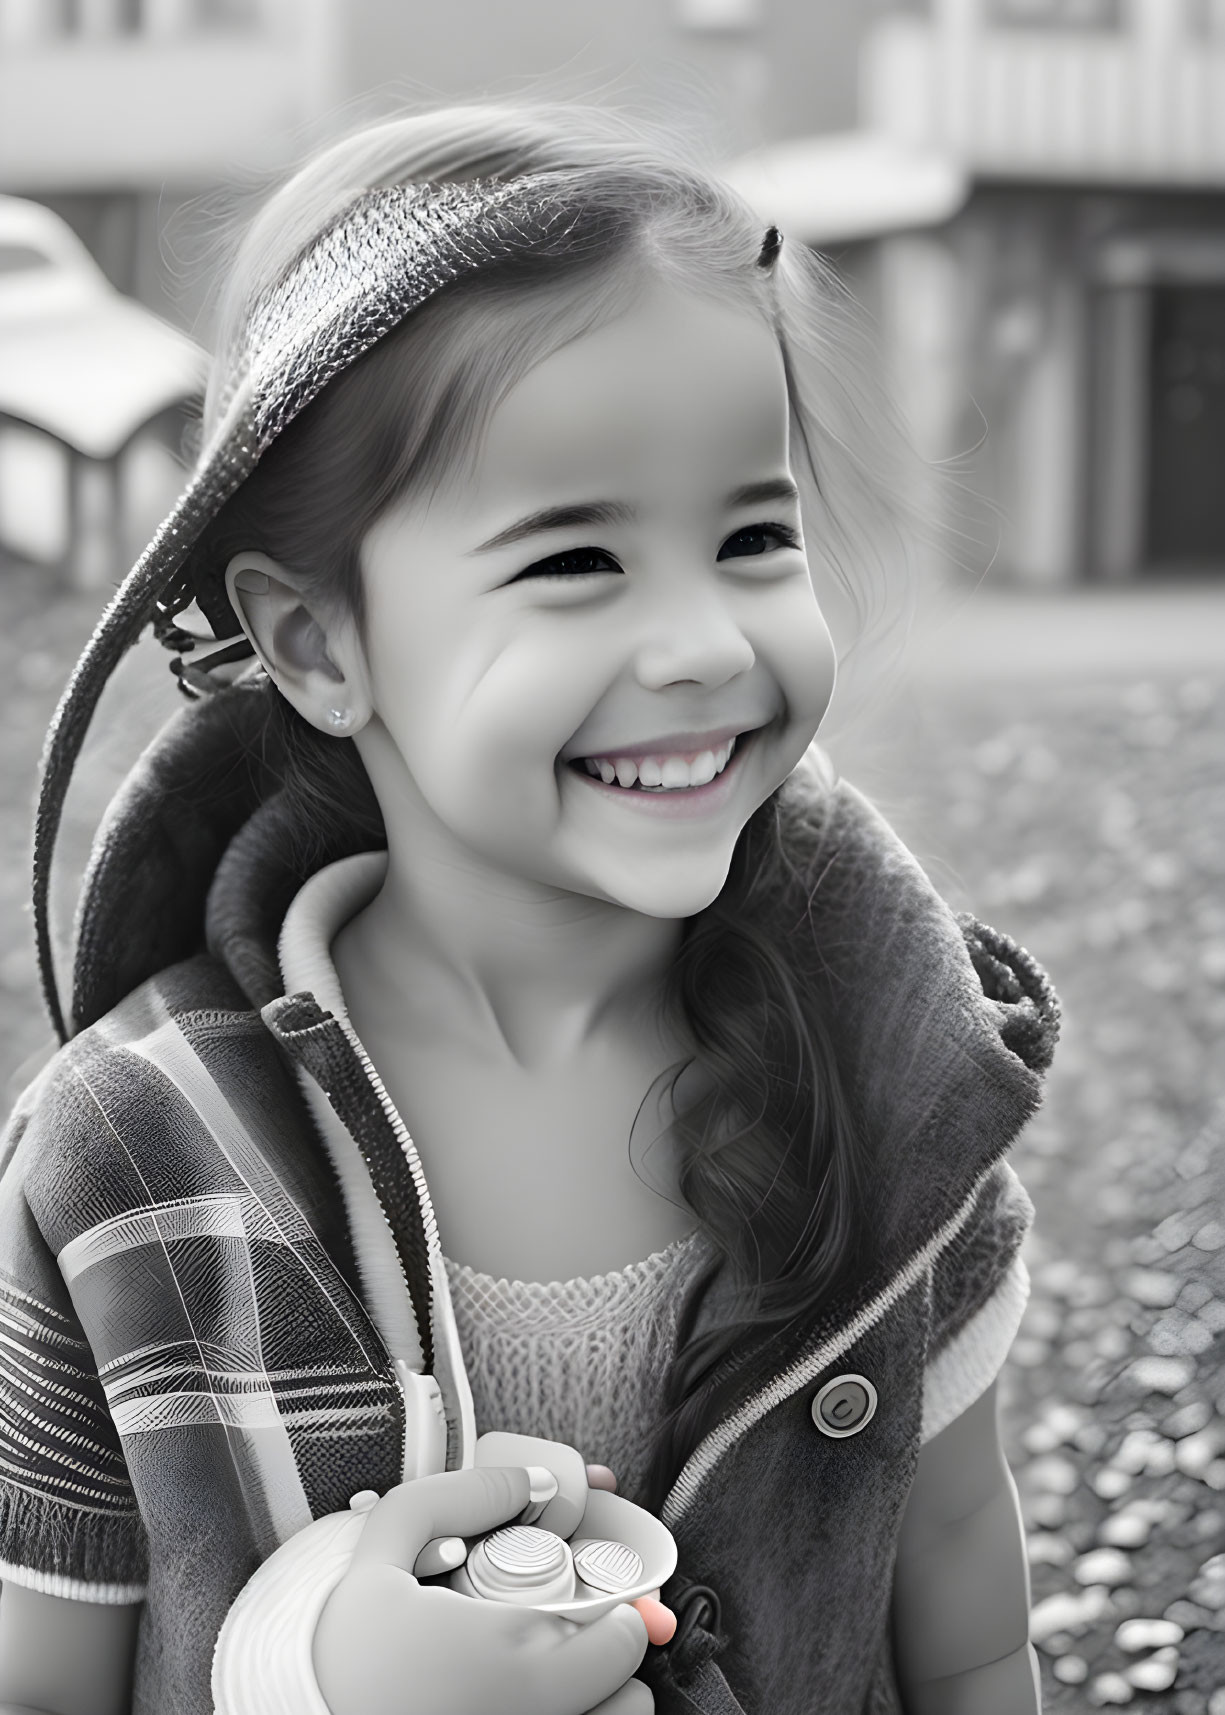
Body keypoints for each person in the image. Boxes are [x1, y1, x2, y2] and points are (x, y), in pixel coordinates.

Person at [0, 104, 1059, 1715]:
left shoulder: (900, 1097)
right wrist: (308, 1676)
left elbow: (971, 1637)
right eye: (573, 561)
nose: (705, 640)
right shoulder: (126, 1166)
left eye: (752, 535)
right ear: (317, 647)